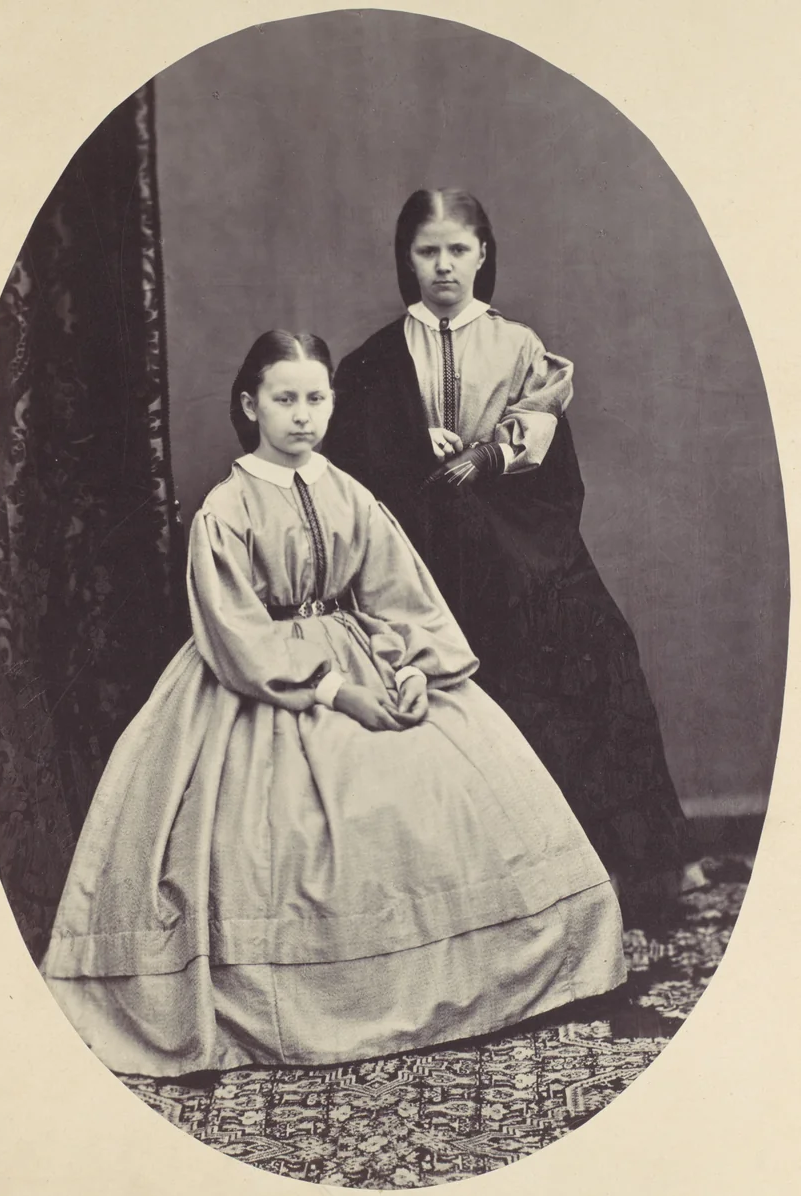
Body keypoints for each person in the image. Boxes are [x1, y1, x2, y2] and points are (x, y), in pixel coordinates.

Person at [41, 329, 625, 1079]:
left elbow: (398, 592)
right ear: (250, 405)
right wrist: (334, 690)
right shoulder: (225, 509)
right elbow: (236, 633)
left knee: (441, 796)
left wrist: (415, 668)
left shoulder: (349, 492)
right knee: (277, 843)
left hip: (369, 657)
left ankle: (462, 985)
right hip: (263, 684)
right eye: (284, 399)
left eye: (316, 398)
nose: (303, 415)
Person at [326, 189, 705, 923]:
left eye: (458, 250)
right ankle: (514, 892)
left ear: (484, 253)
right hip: (424, 554)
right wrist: (418, 461)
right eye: (427, 251)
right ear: (406, 260)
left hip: (523, 547)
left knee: (598, 654)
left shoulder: (521, 346)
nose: (443, 267)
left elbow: (550, 468)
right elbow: (359, 474)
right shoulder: (372, 362)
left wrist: (489, 458)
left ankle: (641, 865)